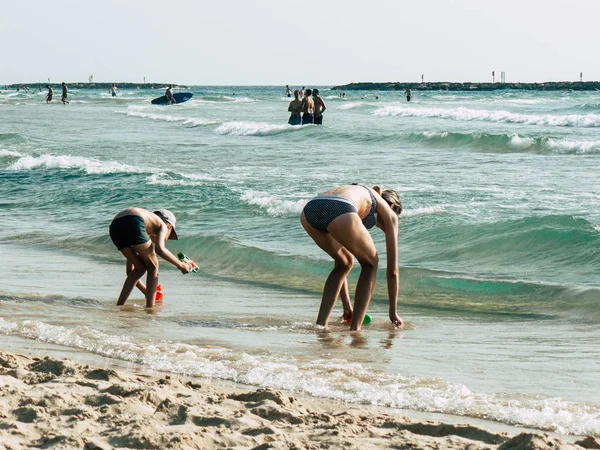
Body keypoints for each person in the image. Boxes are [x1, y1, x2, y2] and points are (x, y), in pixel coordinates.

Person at [300, 184, 403, 331]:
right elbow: (393, 271)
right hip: (340, 206)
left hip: (311, 209)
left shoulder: (361, 196)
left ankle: (321, 326)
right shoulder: (389, 213)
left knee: (344, 262)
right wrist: (393, 313)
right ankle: (355, 329)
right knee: (371, 263)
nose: (381, 227)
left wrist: (347, 307)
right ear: (392, 207)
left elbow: (341, 264)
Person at [109, 208, 192, 307]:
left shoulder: (146, 224)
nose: (166, 238)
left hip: (115, 226)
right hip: (134, 221)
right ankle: (150, 309)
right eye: (169, 236)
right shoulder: (163, 225)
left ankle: (120, 305)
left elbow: (130, 272)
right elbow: (160, 250)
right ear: (169, 226)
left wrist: (148, 292)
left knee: (140, 268)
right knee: (153, 266)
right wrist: (181, 265)